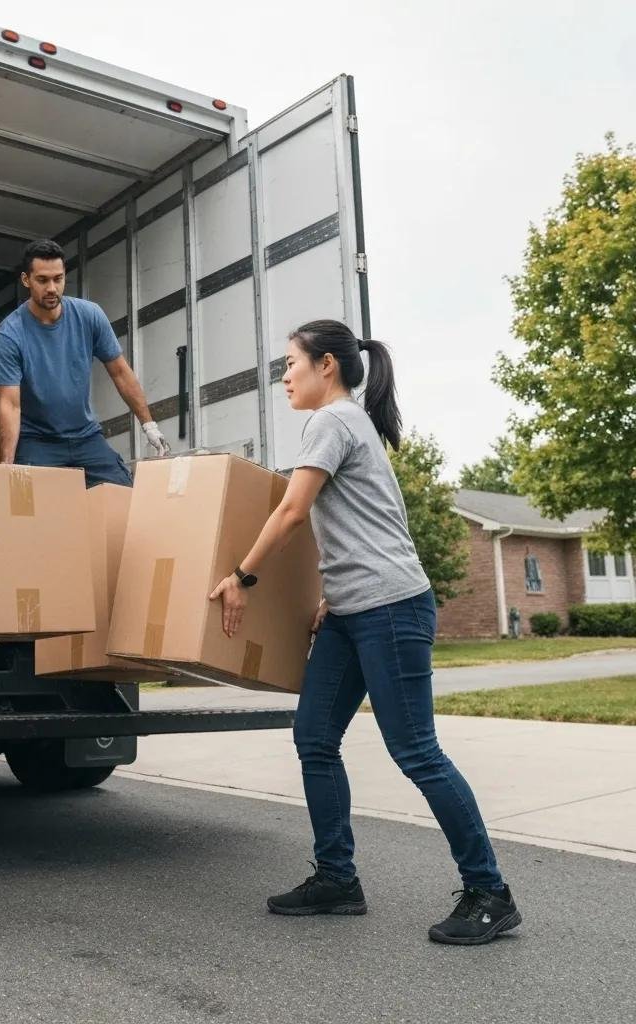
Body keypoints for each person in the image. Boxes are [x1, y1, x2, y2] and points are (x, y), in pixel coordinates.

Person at [209, 319, 522, 946]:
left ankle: (490, 891)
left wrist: (242, 575)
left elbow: (295, 510)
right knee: (315, 736)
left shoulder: (333, 421)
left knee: (416, 752)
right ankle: (337, 878)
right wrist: (333, 593)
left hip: (391, 608)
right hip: (352, 613)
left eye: (290, 363)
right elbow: (367, 522)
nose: (285, 375)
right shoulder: (351, 425)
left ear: (326, 365)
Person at [0, 238, 170, 487]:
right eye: (42, 280)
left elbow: (120, 372)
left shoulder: (90, 315)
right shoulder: (10, 333)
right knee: (28, 509)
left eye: (58, 278)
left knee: (123, 498)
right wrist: (8, 464)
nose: (52, 288)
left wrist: (149, 424)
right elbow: (10, 404)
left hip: (86, 437)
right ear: (26, 280)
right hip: (38, 443)